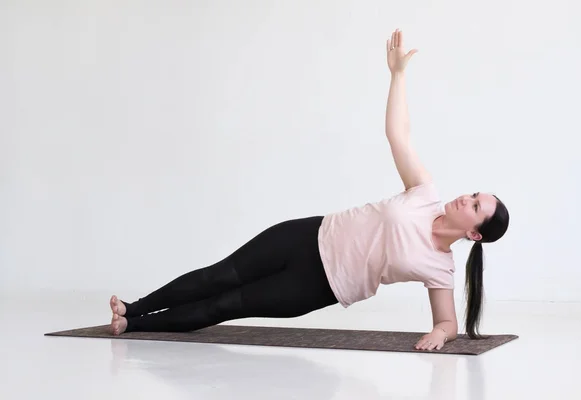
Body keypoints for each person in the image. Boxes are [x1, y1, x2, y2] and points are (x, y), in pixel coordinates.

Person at [108, 29, 509, 351]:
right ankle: (133, 307)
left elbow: (447, 323)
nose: (465, 198)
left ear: (474, 233)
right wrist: (398, 75)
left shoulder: (441, 268)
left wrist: (440, 335)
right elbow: (397, 135)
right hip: (307, 234)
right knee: (218, 276)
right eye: (473, 194)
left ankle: (131, 326)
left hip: (318, 286)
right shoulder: (425, 193)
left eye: (475, 206)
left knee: (224, 305)